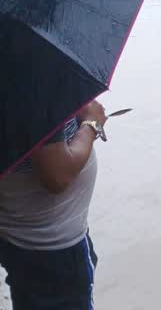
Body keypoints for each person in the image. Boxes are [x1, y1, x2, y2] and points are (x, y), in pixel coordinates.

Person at [0, 100, 108, 309]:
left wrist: (70, 104)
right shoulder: (30, 82)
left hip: (18, 232)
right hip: (51, 247)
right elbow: (57, 174)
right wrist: (92, 125)